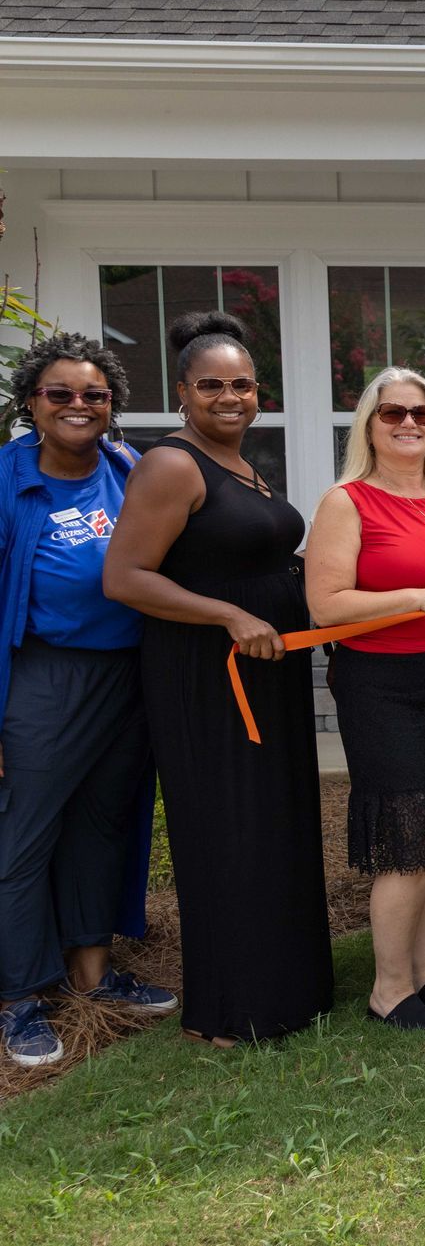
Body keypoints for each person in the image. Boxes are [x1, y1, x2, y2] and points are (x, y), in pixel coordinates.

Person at [103, 311, 332, 1046]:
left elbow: (252, 556)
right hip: (208, 675)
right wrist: (229, 615)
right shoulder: (172, 464)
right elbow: (125, 577)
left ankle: (288, 988)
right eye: (211, 386)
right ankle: (232, 1008)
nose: (228, 397)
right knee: (228, 830)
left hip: (270, 670)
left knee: (272, 822)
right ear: (182, 393)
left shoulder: (242, 460)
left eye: (241, 385)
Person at [0, 333, 174, 1068]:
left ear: (113, 405)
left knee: (103, 824)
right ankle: (19, 996)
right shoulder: (8, 480)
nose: (78, 405)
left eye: (94, 395)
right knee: (24, 839)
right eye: (60, 394)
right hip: (44, 676)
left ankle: (92, 977)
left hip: (125, 677)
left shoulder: (127, 467)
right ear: (31, 402)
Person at [307, 368, 425, 1032]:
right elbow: (325, 605)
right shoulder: (347, 502)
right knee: (409, 838)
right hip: (384, 688)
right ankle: (388, 988)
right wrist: (412, 598)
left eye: (422, 413)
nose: (410, 423)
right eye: (394, 414)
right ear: (370, 425)